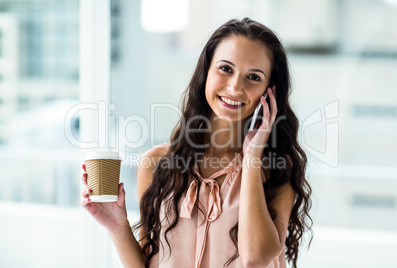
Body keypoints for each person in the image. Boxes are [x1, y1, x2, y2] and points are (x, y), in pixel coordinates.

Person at [81, 17, 312, 268]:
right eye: (225, 69)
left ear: (271, 90)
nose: (235, 87)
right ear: (206, 71)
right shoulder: (156, 164)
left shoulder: (277, 171)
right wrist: (117, 226)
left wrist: (252, 156)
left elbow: (255, 258)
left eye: (254, 77)